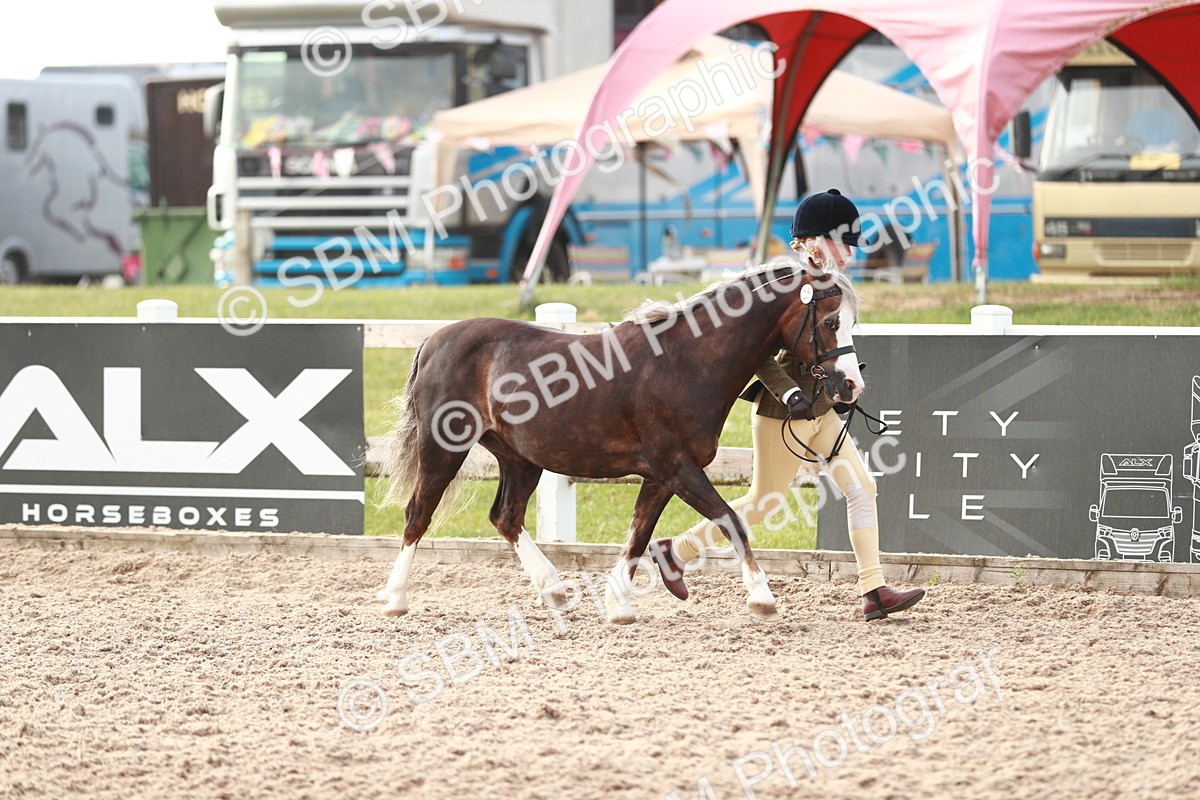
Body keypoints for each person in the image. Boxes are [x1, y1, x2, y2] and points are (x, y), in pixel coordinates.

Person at [649, 188, 926, 621]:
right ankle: (676, 551)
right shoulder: (782, 282)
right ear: (817, 241)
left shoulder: (832, 284)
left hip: (823, 411)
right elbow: (752, 352)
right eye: (844, 243)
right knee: (765, 503)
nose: (851, 254)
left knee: (862, 488)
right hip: (786, 413)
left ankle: (873, 589)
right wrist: (788, 391)